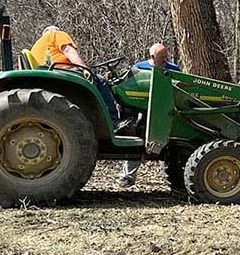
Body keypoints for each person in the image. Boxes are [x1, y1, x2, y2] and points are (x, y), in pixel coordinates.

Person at [29, 25, 121, 123]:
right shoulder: (56, 34)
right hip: (63, 72)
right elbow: (68, 50)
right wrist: (84, 68)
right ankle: (112, 120)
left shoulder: (35, 46)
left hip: (50, 75)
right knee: (100, 80)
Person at [119, 43, 180, 187]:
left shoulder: (173, 70)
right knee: (136, 136)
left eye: (166, 57)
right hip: (140, 112)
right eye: (162, 58)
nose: (165, 61)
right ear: (152, 57)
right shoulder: (139, 69)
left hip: (165, 112)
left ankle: (175, 176)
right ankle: (128, 176)